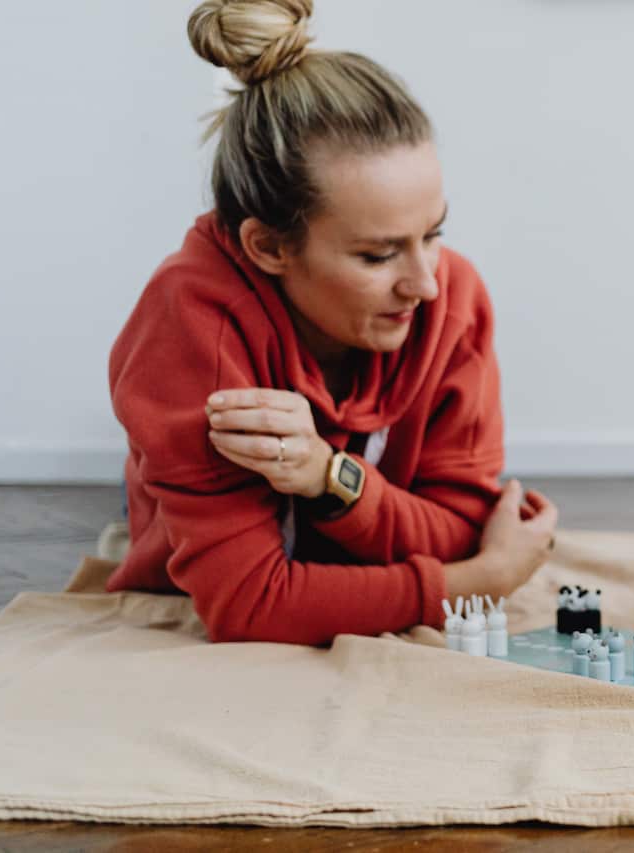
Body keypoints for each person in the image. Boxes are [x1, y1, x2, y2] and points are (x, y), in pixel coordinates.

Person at [108, 0, 557, 645]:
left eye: (432, 234)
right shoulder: (188, 329)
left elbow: (461, 523)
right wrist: (478, 582)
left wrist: (330, 477)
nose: (425, 283)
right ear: (268, 248)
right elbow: (251, 607)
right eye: (376, 255)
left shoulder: (452, 296)